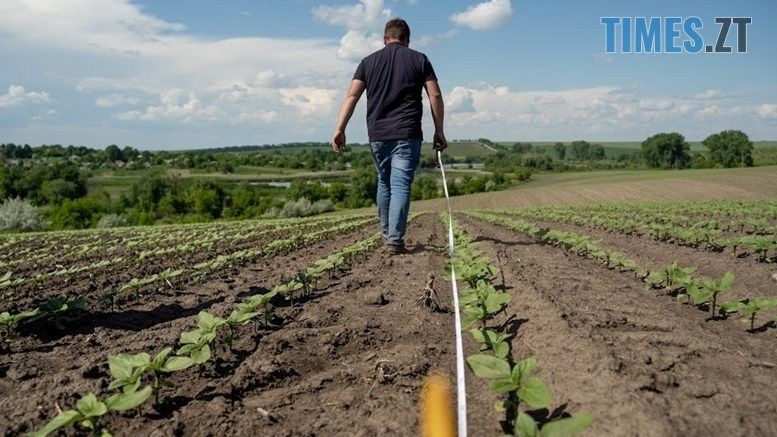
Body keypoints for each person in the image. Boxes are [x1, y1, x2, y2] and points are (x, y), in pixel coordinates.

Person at [330, 18, 447, 255]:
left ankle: (387, 235)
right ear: (407, 40)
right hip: (407, 133)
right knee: (400, 184)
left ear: (385, 39)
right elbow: (434, 95)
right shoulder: (419, 59)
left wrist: (339, 129)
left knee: (384, 182)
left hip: (378, 135)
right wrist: (439, 130)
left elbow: (351, 96)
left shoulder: (367, 62)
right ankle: (395, 239)